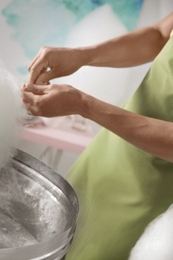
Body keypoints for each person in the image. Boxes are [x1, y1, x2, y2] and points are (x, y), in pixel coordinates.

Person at [22, 12, 173, 260]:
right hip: (113, 151)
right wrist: (81, 56)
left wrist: (85, 105)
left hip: (154, 190)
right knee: (56, 239)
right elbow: (159, 36)